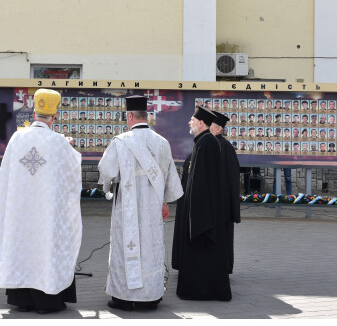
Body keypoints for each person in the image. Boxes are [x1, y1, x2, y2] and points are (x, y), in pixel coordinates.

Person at [0, 89, 82, 314]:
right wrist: (71, 148)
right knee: (45, 248)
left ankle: (22, 300)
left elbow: (5, 176)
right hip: (46, 213)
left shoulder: (17, 138)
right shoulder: (59, 142)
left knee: (22, 247)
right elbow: (72, 178)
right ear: (53, 117)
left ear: (34, 114)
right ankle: (47, 302)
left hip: (20, 212)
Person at [97, 95, 183, 311]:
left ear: (129, 116)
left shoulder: (121, 141)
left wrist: (110, 185)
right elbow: (170, 179)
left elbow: (106, 171)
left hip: (127, 209)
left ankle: (123, 298)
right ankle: (151, 297)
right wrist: (163, 201)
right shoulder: (162, 143)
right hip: (152, 208)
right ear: (147, 116)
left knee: (125, 247)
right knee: (150, 249)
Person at [172, 106, 231, 301]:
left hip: (202, 211)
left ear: (201, 123)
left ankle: (200, 290)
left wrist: (195, 214)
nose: (189, 122)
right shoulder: (203, 142)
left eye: (192, 119)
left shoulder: (207, 143)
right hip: (200, 208)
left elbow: (202, 183)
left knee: (201, 252)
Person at [210, 110, 241, 275]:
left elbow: (231, 177)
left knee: (224, 236)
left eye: (211, 126)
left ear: (219, 129)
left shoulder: (224, 147)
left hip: (222, 201)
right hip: (220, 200)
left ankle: (224, 266)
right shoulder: (215, 144)